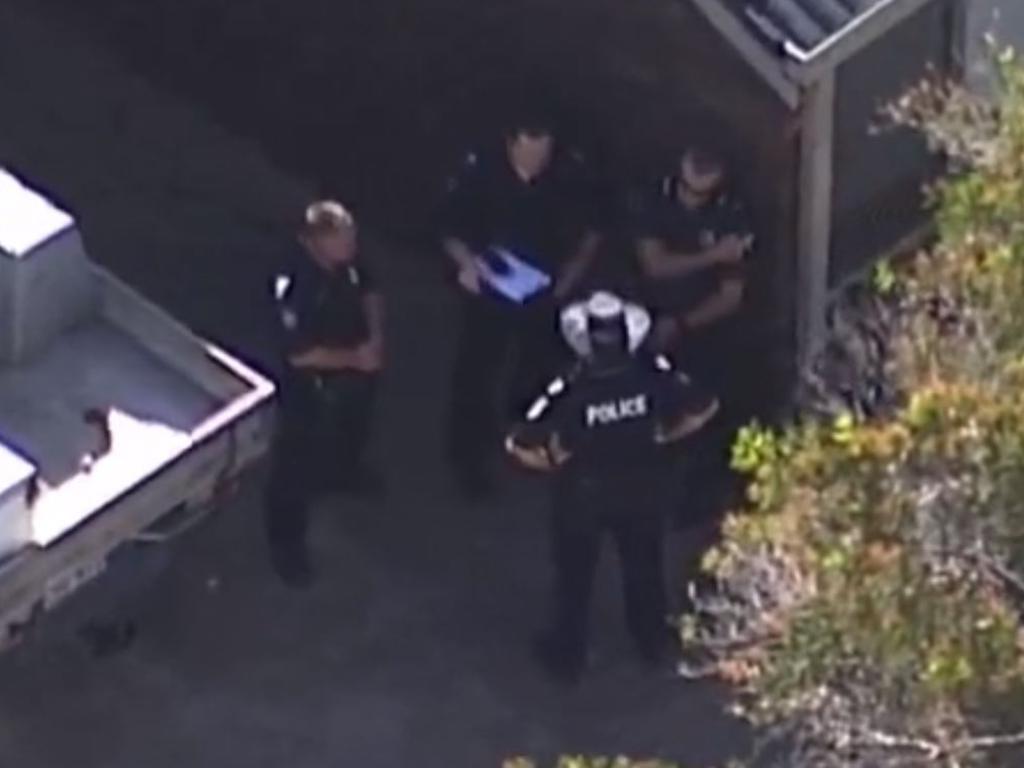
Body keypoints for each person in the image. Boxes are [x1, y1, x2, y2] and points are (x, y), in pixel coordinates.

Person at [505, 291, 719, 684]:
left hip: (582, 497)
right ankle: (651, 640)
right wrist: (665, 435)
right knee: (644, 567)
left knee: (574, 578)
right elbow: (703, 405)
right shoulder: (652, 372)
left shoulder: (571, 385)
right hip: (641, 487)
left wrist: (550, 462)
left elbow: (519, 440)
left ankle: (567, 654)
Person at [440, 109, 603, 500]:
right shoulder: (482, 173)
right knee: (476, 373)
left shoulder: (565, 176)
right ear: (512, 144)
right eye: (529, 155)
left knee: (534, 370)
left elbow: (593, 230)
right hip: (489, 288)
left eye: (542, 155)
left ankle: (522, 439)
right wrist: (467, 264)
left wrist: (568, 279)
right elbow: (449, 227)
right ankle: (466, 458)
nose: (536, 164)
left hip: (543, 290)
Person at [631, 143, 756, 530]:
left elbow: (731, 295)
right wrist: (712, 257)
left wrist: (682, 324)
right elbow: (654, 266)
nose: (693, 198)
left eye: (703, 192)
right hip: (647, 320)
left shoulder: (733, 214)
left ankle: (691, 505)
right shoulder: (654, 200)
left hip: (703, 331)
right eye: (688, 188)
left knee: (702, 420)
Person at [264, 200, 385, 588]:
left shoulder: (346, 261)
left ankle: (342, 472)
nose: (352, 245)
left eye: (352, 236)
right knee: (293, 465)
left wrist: (375, 338)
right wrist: (355, 358)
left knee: (353, 425)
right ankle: (287, 544)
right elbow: (300, 354)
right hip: (309, 384)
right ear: (317, 241)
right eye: (343, 239)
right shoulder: (296, 282)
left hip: (355, 366)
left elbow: (370, 290)